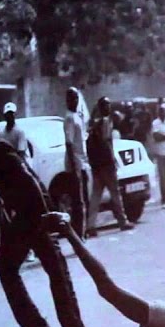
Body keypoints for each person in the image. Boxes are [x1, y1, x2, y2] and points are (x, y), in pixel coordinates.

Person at [0, 105, 91, 327]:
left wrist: (45, 216)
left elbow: (29, 180)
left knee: (57, 272)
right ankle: (34, 324)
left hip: (34, 215)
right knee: (7, 267)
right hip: (20, 221)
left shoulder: (1, 150)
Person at [85, 96, 134, 236]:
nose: (108, 108)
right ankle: (122, 221)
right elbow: (107, 142)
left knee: (96, 195)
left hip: (96, 164)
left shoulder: (94, 123)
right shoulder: (106, 122)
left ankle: (90, 225)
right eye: (106, 105)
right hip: (106, 163)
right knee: (115, 193)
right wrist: (113, 160)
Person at [63, 87, 92, 238]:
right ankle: (79, 233)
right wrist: (74, 167)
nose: (74, 101)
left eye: (76, 98)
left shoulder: (76, 116)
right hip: (76, 163)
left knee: (84, 199)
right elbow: (69, 143)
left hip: (82, 162)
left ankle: (83, 230)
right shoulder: (69, 118)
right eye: (71, 99)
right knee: (78, 201)